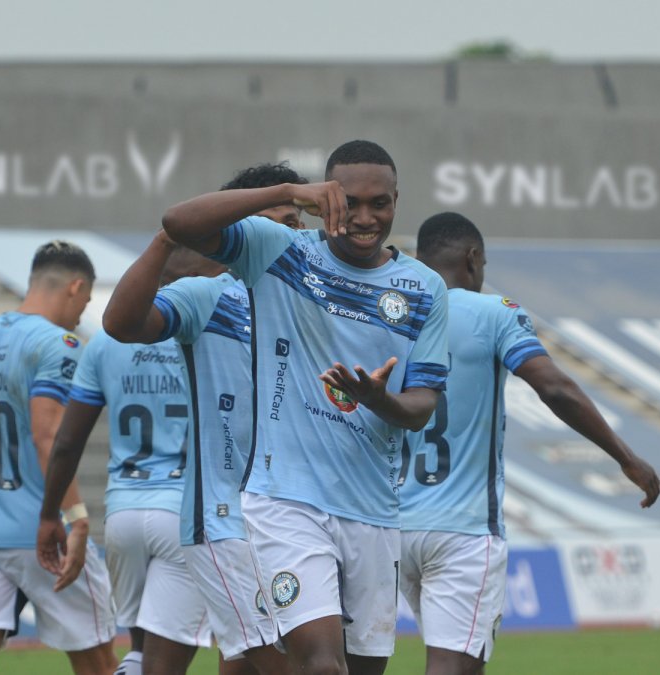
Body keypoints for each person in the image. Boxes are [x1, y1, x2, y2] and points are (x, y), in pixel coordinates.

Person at [161, 140, 450, 675]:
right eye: (351, 202)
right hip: (285, 501)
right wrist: (289, 190)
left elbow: (421, 408)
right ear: (327, 196)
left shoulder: (424, 288)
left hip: (372, 510)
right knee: (320, 665)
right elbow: (178, 223)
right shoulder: (280, 250)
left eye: (380, 204)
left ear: (396, 201)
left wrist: (380, 399)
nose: (365, 218)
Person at [400, 212, 660, 675]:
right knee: (453, 665)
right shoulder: (493, 312)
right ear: (473, 258)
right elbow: (555, 389)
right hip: (461, 528)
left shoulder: (390, 311)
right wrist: (626, 458)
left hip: (389, 524)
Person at [98, 162, 308, 675]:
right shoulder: (209, 296)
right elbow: (120, 322)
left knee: (244, 661)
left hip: (299, 514)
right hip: (225, 520)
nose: (294, 236)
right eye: (281, 222)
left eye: (298, 224)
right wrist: (167, 239)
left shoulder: (310, 305)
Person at [38, 248, 215, 675]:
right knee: (168, 664)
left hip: (123, 514)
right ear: (194, 276)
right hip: (185, 514)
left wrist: (50, 513)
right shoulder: (210, 332)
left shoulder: (104, 343)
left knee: (138, 651)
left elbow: (66, 442)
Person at [0, 242, 116, 675]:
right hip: (41, 531)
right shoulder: (59, 344)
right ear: (75, 287)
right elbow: (48, 436)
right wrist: (74, 516)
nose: (80, 315)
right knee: (98, 661)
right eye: (85, 301)